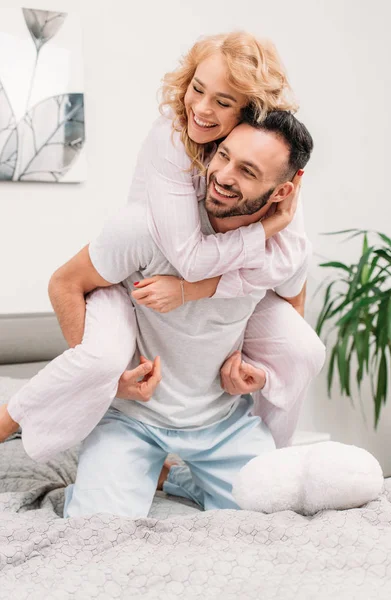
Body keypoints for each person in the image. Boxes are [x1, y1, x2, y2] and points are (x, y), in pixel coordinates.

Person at [0, 32, 319, 463]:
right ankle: (9, 419)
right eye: (198, 89)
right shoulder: (171, 143)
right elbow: (188, 261)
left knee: (303, 349)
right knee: (99, 361)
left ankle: (269, 459)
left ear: (251, 114)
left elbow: (288, 268)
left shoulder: (272, 177)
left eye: (223, 103)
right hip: (138, 270)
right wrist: (108, 379)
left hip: (206, 285)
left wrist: (260, 360)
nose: (202, 109)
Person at [58, 109, 324, 518]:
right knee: (97, 536)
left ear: (283, 192)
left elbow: (291, 311)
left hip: (224, 422)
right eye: (223, 155)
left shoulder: (283, 251)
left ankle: (177, 478)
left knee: (277, 518)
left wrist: (252, 370)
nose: (222, 175)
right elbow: (66, 283)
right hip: (132, 418)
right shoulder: (146, 227)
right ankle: (145, 470)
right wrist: (102, 376)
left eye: (247, 171)